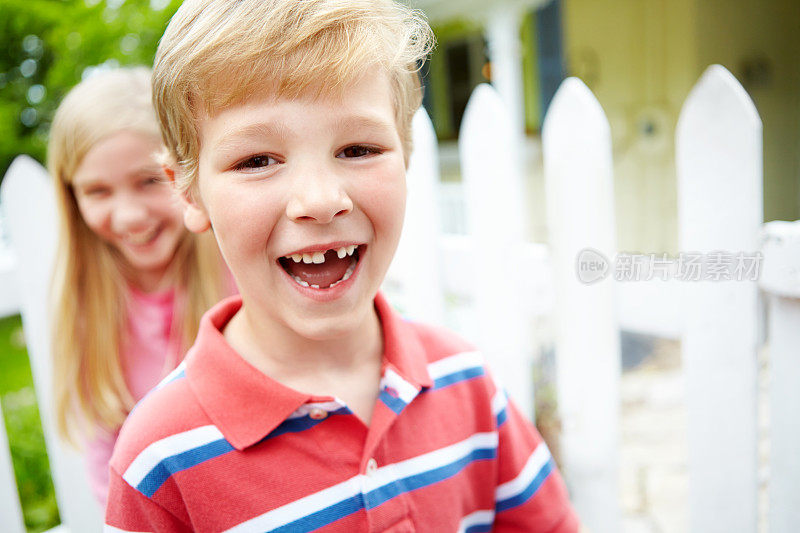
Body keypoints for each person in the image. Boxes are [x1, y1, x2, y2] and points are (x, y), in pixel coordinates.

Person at [105, 0, 580, 530]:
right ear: (188, 193)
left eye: (358, 148)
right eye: (257, 161)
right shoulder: (161, 460)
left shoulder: (465, 381)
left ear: (406, 156)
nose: (320, 199)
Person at [48, 67, 229, 507]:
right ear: (73, 199)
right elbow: (104, 459)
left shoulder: (237, 274)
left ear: (184, 171)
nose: (129, 216)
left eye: (149, 181)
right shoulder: (88, 306)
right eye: (98, 191)